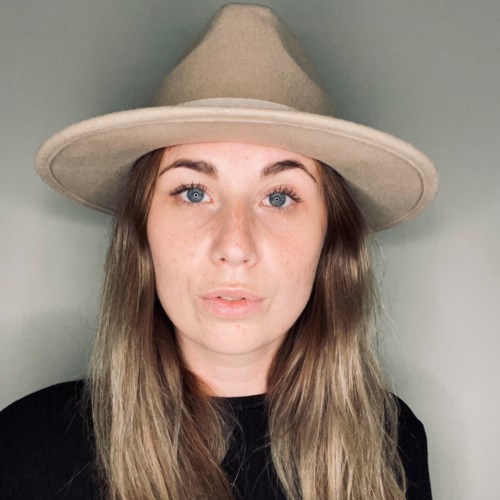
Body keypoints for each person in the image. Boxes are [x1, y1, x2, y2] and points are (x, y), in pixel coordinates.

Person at [0, 3, 437, 499]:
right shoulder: (26, 449)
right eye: (193, 192)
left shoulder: (392, 440)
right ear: (143, 230)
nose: (234, 246)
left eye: (279, 197)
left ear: (329, 237)